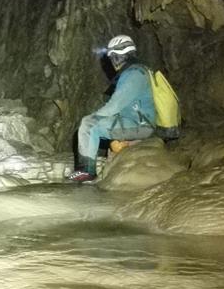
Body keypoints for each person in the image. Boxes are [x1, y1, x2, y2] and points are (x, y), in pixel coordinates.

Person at [67, 35, 157, 182]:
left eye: (113, 57)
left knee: (89, 125)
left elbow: (115, 106)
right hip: (136, 121)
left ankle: (86, 171)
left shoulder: (134, 74)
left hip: (140, 125)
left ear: (119, 56)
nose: (112, 62)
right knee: (106, 133)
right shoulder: (139, 70)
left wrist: (95, 117)